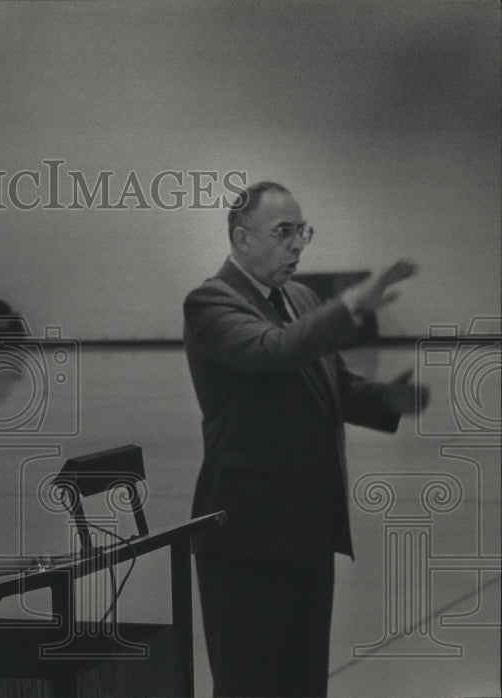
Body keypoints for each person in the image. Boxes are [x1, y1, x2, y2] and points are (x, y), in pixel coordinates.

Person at [183, 181, 430, 697]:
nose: (298, 245)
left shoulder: (299, 296)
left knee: (302, 684)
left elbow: (331, 383)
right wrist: (354, 302)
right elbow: (275, 351)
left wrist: (386, 399)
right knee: (250, 685)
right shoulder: (210, 303)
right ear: (241, 238)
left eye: (303, 232)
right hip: (246, 540)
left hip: (307, 534)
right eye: (284, 232)